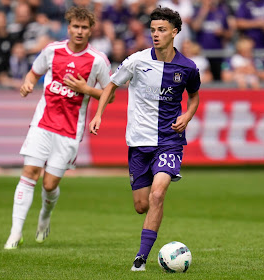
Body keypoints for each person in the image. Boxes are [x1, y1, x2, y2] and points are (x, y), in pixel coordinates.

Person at [89, 6, 200, 271]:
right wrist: (98, 115)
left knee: (158, 194)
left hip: (169, 140)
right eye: (152, 30)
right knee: (141, 205)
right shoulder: (136, 61)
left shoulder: (187, 67)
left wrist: (188, 115)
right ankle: (150, 229)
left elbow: (194, 96)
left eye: (161, 30)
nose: (156, 34)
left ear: (174, 32)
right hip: (139, 142)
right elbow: (111, 86)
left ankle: (140, 258)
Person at [4, 6, 112, 249]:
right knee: (29, 173)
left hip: (69, 131)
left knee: (49, 184)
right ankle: (14, 233)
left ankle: (45, 215)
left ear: (91, 30)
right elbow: (33, 74)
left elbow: (110, 94)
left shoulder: (98, 60)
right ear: (68, 26)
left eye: (84, 27)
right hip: (42, 124)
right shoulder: (52, 50)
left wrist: (87, 90)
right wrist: (27, 84)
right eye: (76, 26)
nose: (80, 31)